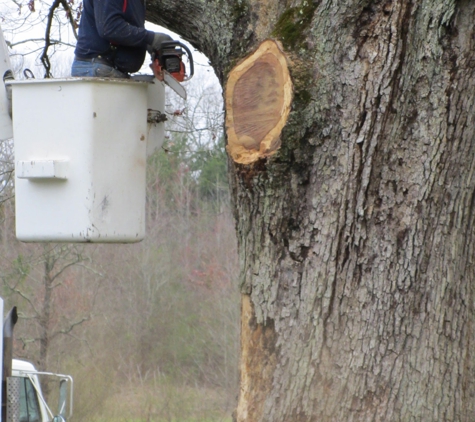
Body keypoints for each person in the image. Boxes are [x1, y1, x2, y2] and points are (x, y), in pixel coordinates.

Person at [71, 0, 172, 78]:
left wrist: (148, 44)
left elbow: (126, 27)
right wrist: (150, 38)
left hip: (107, 68)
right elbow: (109, 27)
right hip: (97, 66)